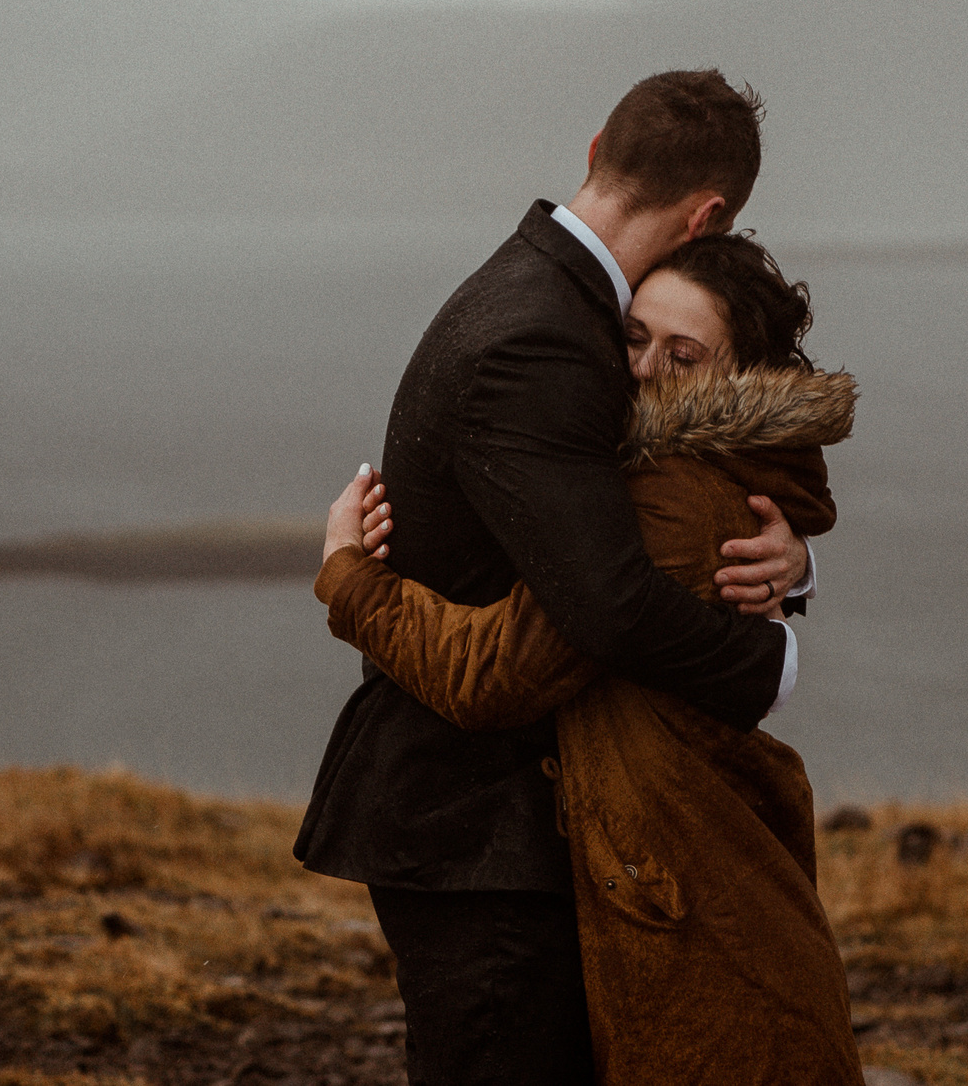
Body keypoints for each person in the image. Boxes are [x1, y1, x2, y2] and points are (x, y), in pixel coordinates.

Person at [293, 70, 817, 1084]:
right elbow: (609, 604)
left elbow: (664, 509)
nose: (647, 364)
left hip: (499, 826)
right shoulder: (545, 337)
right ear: (708, 215)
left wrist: (788, 561)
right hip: (476, 826)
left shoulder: (545, 302)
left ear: (593, 147)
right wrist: (771, 663)